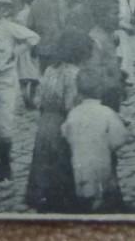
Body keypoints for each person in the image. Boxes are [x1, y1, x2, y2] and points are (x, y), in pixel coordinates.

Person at [26, 29, 93, 212]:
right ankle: (63, 202)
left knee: (44, 162)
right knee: (63, 163)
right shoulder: (73, 73)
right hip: (62, 122)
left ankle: (44, 200)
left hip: (46, 122)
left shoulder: (50, 69)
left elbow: (38, 99)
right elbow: (70, 104)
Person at [0, 0, 40, 182]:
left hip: (6, 80)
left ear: (5, 10)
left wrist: (16, 52)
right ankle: (2, 163)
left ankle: (7, 168)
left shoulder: (10, 27)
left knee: (5, 124)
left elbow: (34, 38)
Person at [61, 64, 130, 213]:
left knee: (84, 190)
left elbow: (66, 132)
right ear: (100, 91)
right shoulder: (106, 112)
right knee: (103, 190)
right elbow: (119, 138)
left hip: (79, 162)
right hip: (101, 160)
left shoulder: (74, 113)